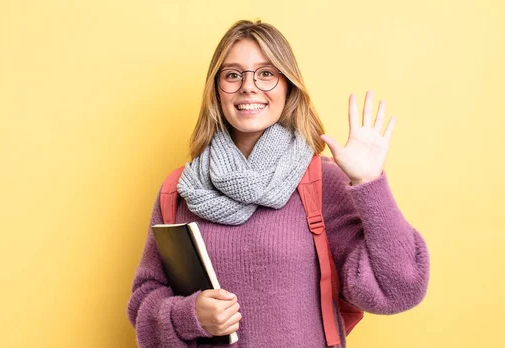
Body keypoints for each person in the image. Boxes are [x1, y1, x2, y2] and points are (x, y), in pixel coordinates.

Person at [127, 19, 430, 348]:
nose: (248, 86)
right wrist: (189, 316)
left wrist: (369, 182)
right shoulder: (181, 189)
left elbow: (401, 289)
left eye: (266, 73)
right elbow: (145, 299)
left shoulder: (322, 181)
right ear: (216, 90)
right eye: (232, 75)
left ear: (288, 86)